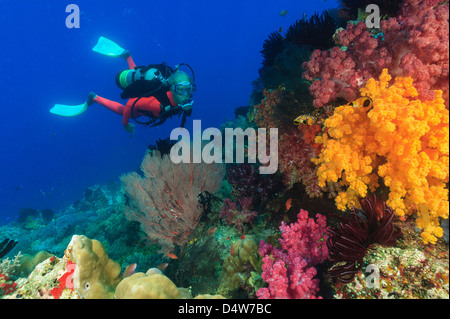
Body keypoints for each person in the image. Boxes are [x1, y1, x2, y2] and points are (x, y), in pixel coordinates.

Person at [51, 37, 196, 134]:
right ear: (172, 88)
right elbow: (130, 104)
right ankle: (94, 98)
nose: (186, 95)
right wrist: (125, 124)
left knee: (139, 73)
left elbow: (178, 106)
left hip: (145, 84)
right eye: (181, 90)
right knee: (127, 111)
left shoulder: (181, 99)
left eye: (189, 90)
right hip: (134, 97)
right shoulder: (156, 105)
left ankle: (127, 56)